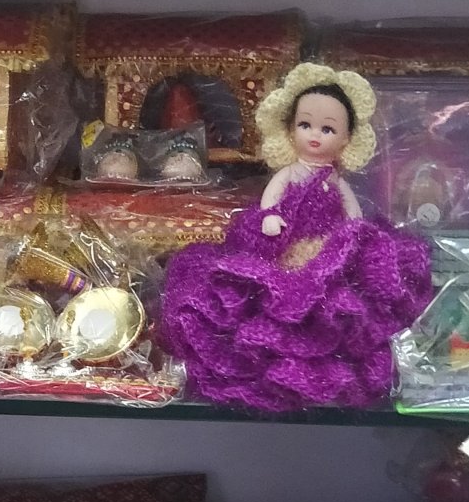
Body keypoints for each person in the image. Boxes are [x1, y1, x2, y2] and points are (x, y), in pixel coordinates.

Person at [161, 62, 431, 411]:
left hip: (329, 250)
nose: (315, 135)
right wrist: (271, 216)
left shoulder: (334, 179)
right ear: (290, 130)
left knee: (339, 299)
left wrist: (355, 234)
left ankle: (318, 349)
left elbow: (352, 214)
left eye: (328, 128)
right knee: (260, 292)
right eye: (305, 125)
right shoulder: (290, 172)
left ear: (346, 139)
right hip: (283, 245)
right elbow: (270, 200)